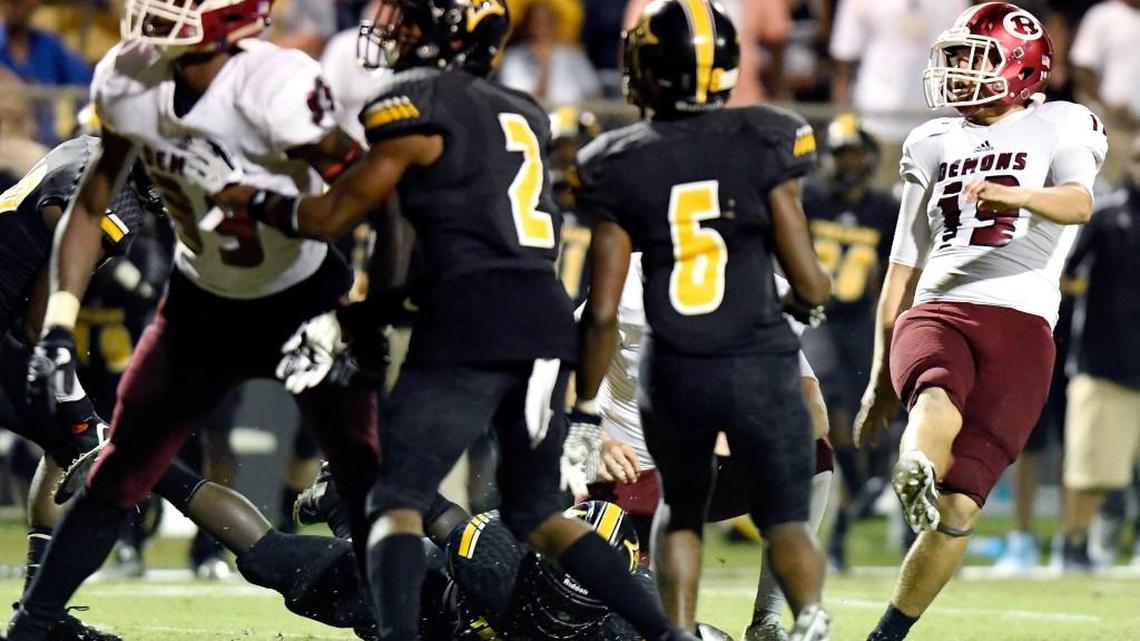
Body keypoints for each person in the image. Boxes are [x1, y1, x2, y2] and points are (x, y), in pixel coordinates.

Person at [178, 2, 697, 640]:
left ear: (443, 35)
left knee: (395, 499)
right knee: (538, 511)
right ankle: (667, 634)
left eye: (411, 22)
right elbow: (424, 238)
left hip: (472, 319)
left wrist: (248, 197)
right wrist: (366, 320)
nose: (394, 31)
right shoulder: (524, 110)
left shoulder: (412, 102)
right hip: (541, 320)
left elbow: (337, 217)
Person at [13, 0, 383, 638]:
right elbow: (76, 216)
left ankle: (404, 595)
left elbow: (358, 187)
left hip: (295, 287)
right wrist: (55, 336)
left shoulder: (279, 84)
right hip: (201, 298)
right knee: (120, 465)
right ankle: (37, 625)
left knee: (360, 470)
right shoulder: (129, 88)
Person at [573, 1, 832, 639]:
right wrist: (796, 309)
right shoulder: (769, 135)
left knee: (681, 514)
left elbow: (601, 312)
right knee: (787, 513)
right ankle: (805, 620)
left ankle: (678, 632)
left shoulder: (616, 156)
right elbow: (811, 280)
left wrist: (583, 412)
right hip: (754, 353)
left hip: (678, 362)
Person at [852, 4, 1108, 640]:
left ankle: (888, 632)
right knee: (936, 392)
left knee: (961, 506)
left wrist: (1016, 193)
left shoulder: (1061, 121)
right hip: (938, 304)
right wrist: (880, 377)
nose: (960, 72)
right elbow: (901, 271)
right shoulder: (931, 139)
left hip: (1019, 318)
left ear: (1023, 65)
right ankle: (914, 465)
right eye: (956, 58)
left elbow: (1078, 202)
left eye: (977, 58)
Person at [584, 259, 835, 641]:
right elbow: (558, 371)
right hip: (633, 465)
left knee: (812, 456)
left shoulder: (759, 293)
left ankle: (767, 622)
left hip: (716, 459)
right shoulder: (627, 284)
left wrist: (749, 436)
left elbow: (814, 411)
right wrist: (594, 441)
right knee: (615, 611)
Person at [800, 113, 897, 570]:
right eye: (842, 155)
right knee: (832, 416)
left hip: (861, 322)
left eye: (856, 155)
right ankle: (851, 503)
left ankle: (850, 512)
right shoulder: (810, 199)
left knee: (862, 426)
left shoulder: (884, 209)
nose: (849, 164)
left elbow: (889, 272)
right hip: (817, 317)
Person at [1058, 134, 1140, 572]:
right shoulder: (1106, 216)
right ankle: (1072, 545)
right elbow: (1065, 275)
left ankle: (1119, 538)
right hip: (1103, 360)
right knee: (1089, 468)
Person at [498, 0, 603, 105]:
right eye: (537, 21)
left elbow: (594, 92)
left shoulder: (573, 54)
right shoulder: (515, 57)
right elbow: (520, 101)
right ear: (527, 23)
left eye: (548, 20)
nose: (542, 26)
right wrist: (544, 69)